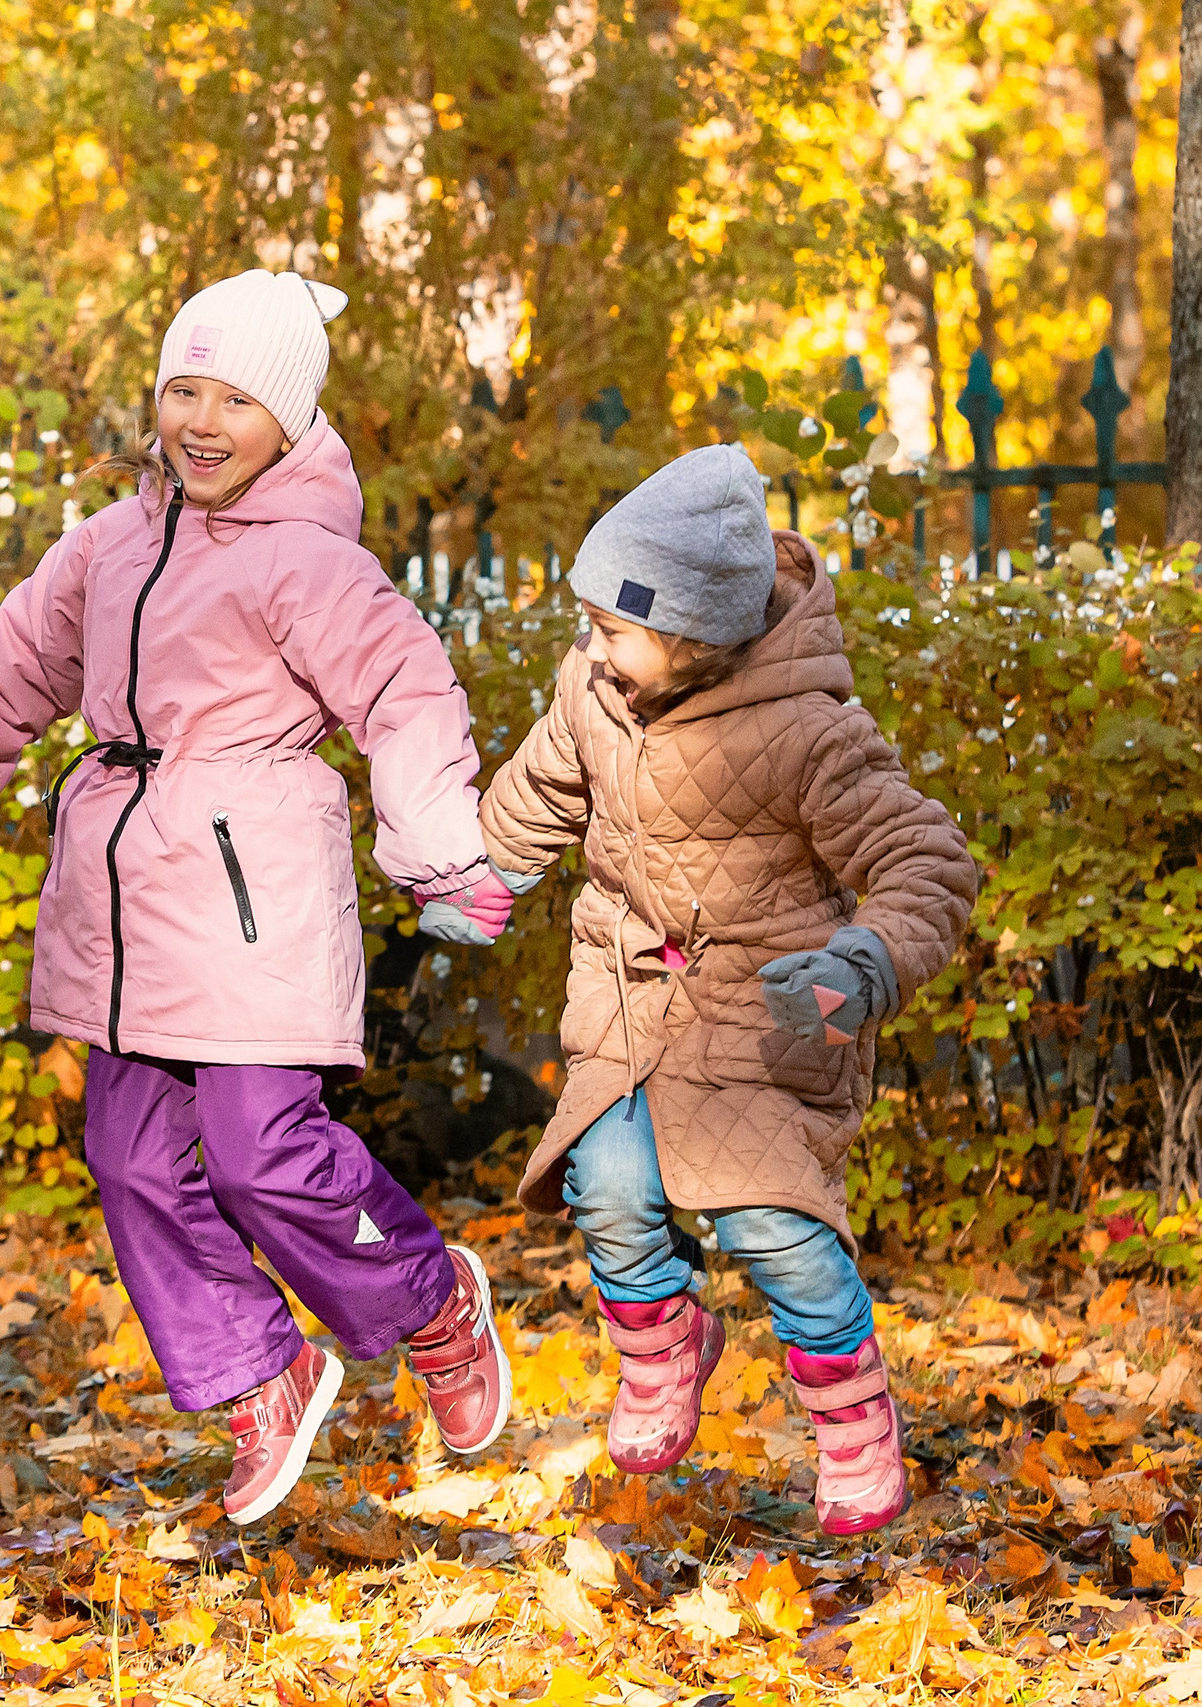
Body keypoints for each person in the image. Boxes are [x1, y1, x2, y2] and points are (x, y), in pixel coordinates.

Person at [0, 269, 520, 1523]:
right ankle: (258, 1375)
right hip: (123, 912)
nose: (203, 419)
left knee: (261, 1154)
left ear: (288, 424)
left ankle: (429, 1303)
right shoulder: (106, 546)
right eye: (184, 388)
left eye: (237, 399)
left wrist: (442, 844)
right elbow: (18, 665)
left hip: (251, 897)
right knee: (129, 1164)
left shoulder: (307, 565)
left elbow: (406, 693)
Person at [475, 444, 976, 1537]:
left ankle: (849, 1417)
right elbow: (542, 788)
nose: (594, 650)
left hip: (769, 1016)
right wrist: (485, 875)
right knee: (602, 1184)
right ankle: (663, 1349)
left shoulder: (808, 731)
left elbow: (923, 866)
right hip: (623, 999)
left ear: (693, 631)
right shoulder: (595, 689)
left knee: (770, 1225)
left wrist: (863, 964)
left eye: (615, 627)